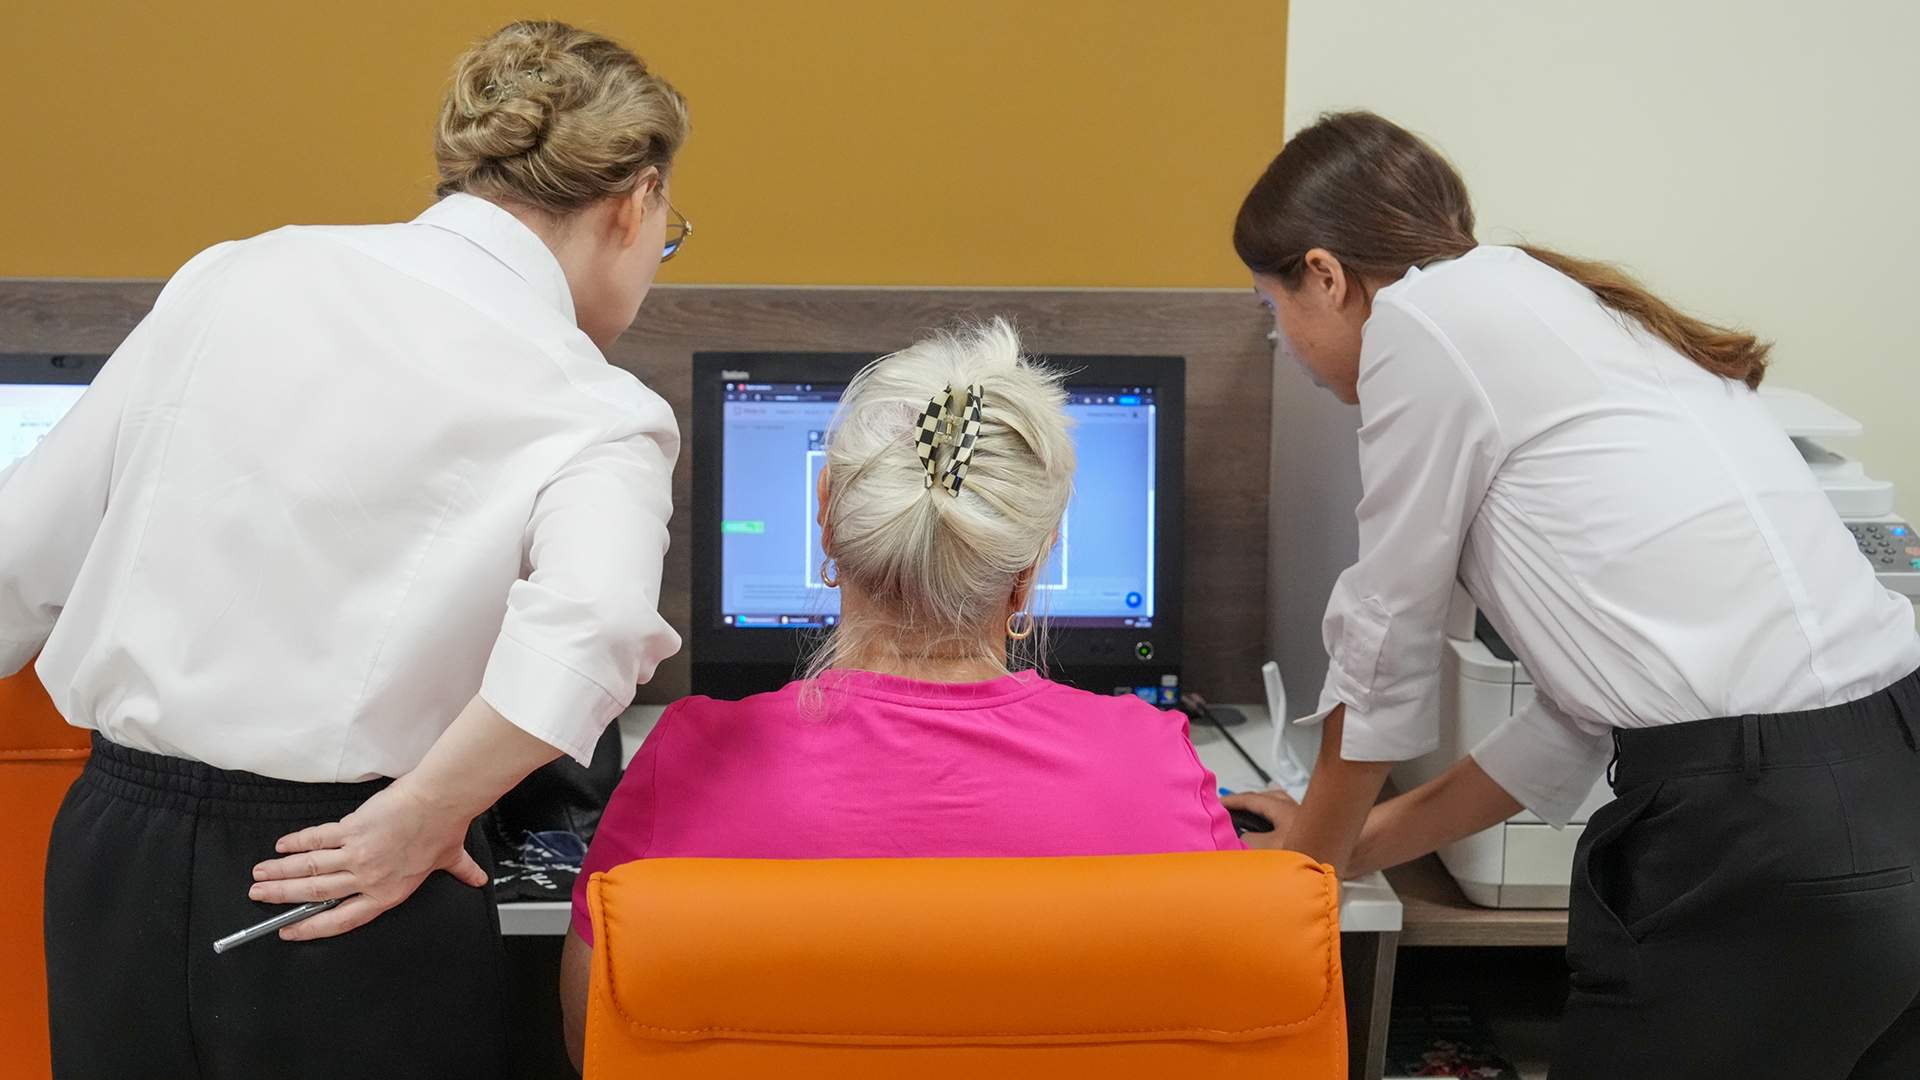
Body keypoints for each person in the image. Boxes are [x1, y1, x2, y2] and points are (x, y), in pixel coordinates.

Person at [1, 21, 690, 1079]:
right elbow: (595, 625)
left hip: (116, 854)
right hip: (354, 868)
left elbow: (20, 556)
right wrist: (429, 811)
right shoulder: (595, 403)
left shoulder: (233, 275)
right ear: (634, 202)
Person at [1221, 111, 1920, 1079]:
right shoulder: (1560, 305)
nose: (1287, 343)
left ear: (1327, 275)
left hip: (1758, 841)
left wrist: (1307, 868)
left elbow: (1383, 640)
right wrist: (1359, 841)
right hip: (1890, 784)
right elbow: (1578, 718)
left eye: (1274, 305)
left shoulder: (1420, 323)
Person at [555, 319, 1243, 1069]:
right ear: (1032, 566)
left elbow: (599, 1045)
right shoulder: (1154, 759)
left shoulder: (691, 758)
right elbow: (1221, 1024)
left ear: (824, 513)